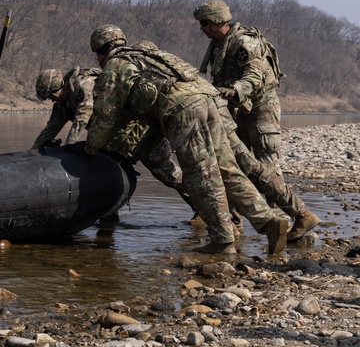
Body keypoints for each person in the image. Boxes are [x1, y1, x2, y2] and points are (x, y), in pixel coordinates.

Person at [84, 24, 289, 254]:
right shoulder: (149, 57)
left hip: (186, 110)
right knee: (227, 168)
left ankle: (223, 240)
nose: (98, 60)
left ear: (100, 51)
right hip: (211, 100)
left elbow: (104, 119)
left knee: (200, 175)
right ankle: (268, 221)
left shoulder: (116, 66)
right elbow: (155, 112)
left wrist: (90, 150)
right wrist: (141, 149)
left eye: (97, 55)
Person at [195, 0, 283, 173]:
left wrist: (235, 89)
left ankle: (278, 200)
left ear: (217, 21)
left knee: (267, 161)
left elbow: (254, 74)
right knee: (240, 163)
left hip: (261, 107)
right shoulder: (218, 46)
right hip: (237, 108)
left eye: (204, 23)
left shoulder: (245, 42)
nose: (202, 28)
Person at [31, 67, 99, 149]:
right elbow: (50, 130)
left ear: (58, 87)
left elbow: (82, 118)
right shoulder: (62, 104)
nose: (52, 100)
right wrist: (33, 153)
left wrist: (69, 147)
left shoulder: (83, 86)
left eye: (51, 96)